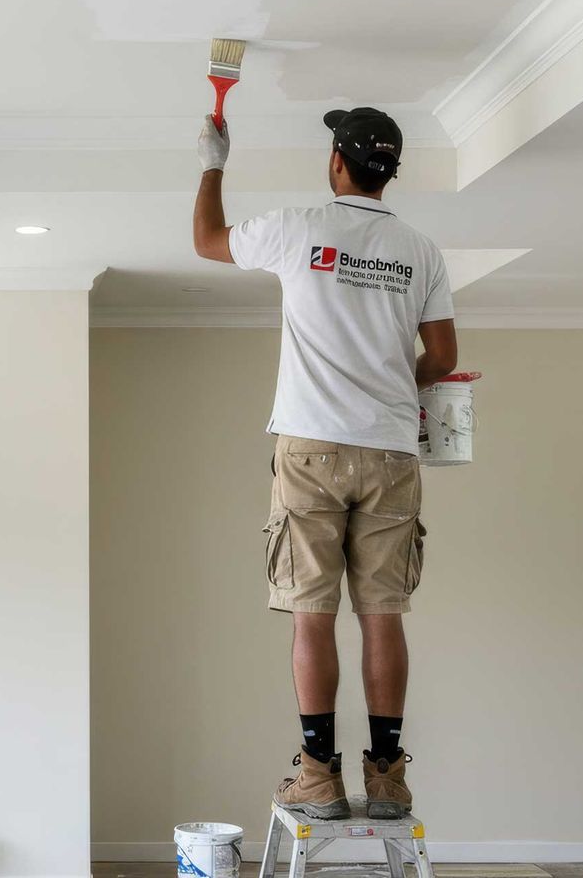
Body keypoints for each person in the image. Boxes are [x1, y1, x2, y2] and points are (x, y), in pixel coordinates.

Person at [192, 108, 457, 820]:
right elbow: (443, 357)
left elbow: (208, 241)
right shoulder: (421, 250)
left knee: (312, 615)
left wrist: (213, 162)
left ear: (337, 161)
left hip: (309, 447)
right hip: (391, 448)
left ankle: (317, 775)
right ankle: (388, 778)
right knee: (383, 614)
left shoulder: (299, 226)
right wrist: (396, 386)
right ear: (389, 172)